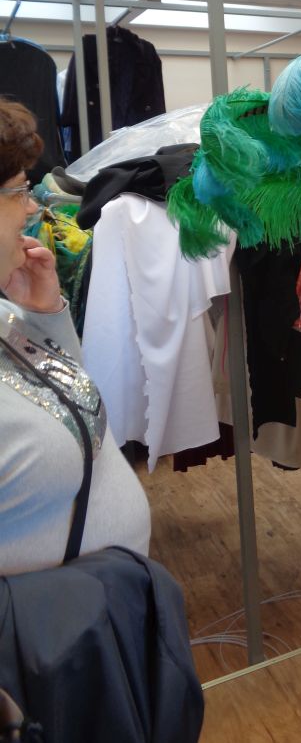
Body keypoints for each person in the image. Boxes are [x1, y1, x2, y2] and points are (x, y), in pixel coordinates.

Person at [0, 98, 151, 574]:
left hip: (101, 599)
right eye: (19, 191)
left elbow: (70, 402)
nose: (31, 208)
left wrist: (45, 317)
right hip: (50, 616)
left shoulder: (7, 313)